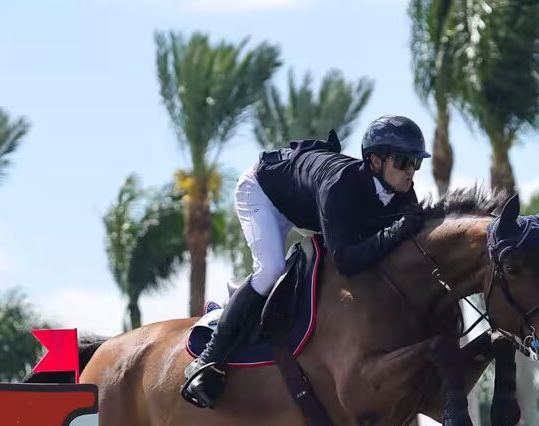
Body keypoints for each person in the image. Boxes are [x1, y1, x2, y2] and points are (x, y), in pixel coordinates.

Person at [181, 115, 430, 409]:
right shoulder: (340, 187)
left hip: (304, 201)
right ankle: (208, 359)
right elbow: (346, 261)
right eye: (403, 162)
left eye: (416, 163)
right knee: (271, 270)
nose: (410, 171)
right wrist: (395, 232)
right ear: (376, 161)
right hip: (263, 191)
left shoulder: (402, 193)